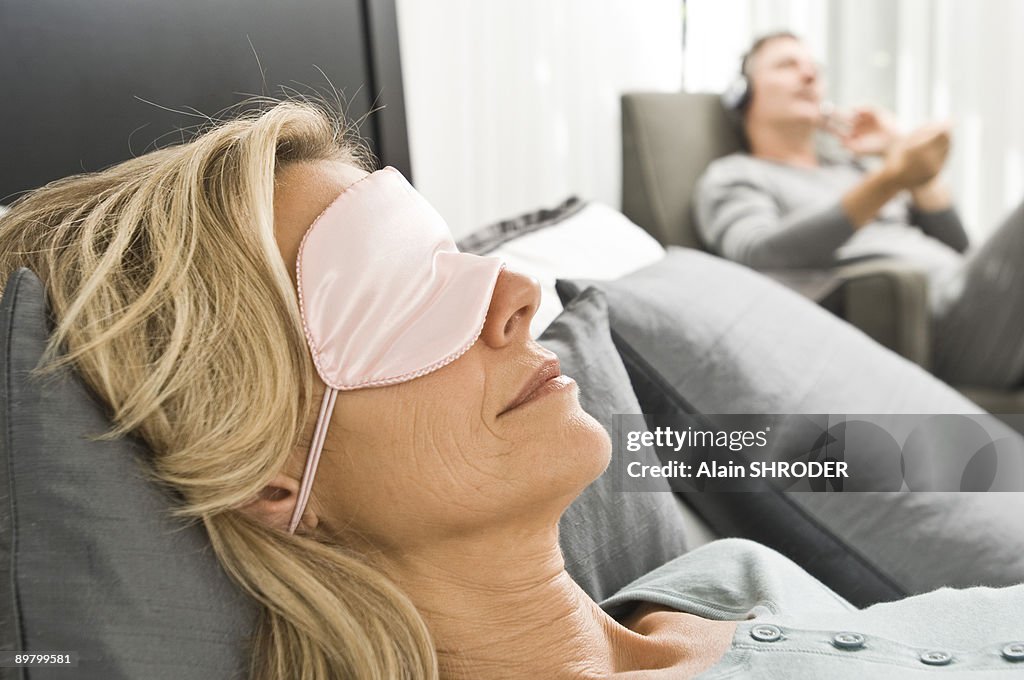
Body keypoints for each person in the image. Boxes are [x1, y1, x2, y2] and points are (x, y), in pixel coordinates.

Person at [1, 101, 1023, 679]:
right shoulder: (739, 187)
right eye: (400, 293)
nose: (517, 294)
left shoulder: (721, 579)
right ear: (269, 470)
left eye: (450, 258)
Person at [696, 31, 1024, 389]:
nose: (809, 76)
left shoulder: (854, 170)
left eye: (814, 69)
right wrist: (888, 179)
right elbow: (757, 256)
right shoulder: (736, 174)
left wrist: (896, 152)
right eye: (787, 65)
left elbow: (962, 251)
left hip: (979, 307)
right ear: (741, 92)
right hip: (929, 330)